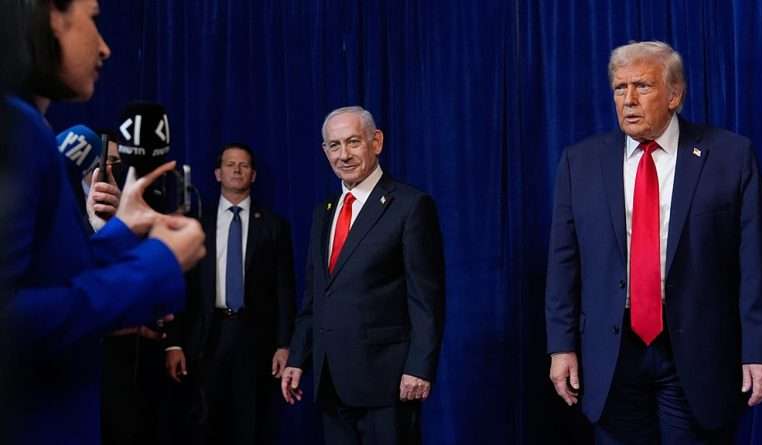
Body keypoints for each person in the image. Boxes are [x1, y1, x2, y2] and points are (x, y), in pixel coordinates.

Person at [545, 41, 762, 444]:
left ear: (675, 95)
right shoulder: (580, 162)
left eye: (642, 86)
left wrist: (760, 351)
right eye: (620, 88)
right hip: (611, 354)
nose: (629, 100)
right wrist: (561, 346)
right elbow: (563, 263)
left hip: (697, 351)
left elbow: (756, 263)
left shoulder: (730, 156)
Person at [0, 1, 206, 444]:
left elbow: (46, 279)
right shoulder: (15, 129)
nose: (106, 48)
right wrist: (157, 265)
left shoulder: (27, 126)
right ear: (49, 17)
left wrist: (120, 231)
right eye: (93, 19)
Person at [281, 106, 446, 444]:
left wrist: (419, 366)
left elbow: (426, 298)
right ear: (325, 151)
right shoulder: (324, 212)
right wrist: (298, 357)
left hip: (386, 382)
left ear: (377, 142)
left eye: (353, 142)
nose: (343, 155)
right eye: (334, 145)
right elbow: (315, 295)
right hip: (331, 380)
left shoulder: (410, 205)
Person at [164, 143, 296, 444]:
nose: (237, 170)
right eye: (230, 164)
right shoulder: (195, 224)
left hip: (254, 340)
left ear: (253, 175)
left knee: (250, 426)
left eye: (244, 165)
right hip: (205, 337)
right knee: (203, 426)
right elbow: (178, 286)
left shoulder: (274, 225)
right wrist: (173, 342)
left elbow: (284, 289)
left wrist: (283, 344)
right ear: (217, 173)